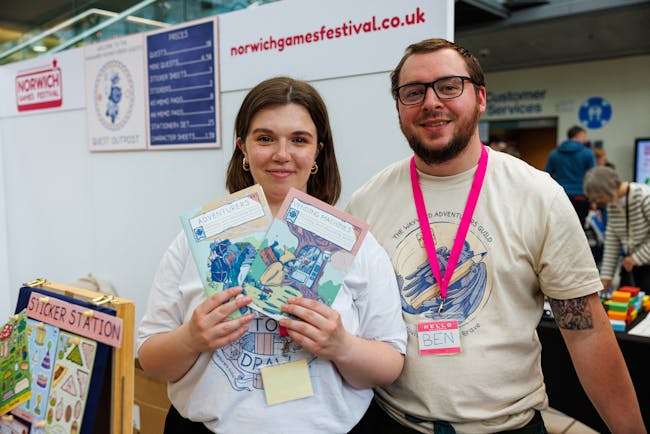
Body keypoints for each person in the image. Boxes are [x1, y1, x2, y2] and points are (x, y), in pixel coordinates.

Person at [345, 38, 645, 433]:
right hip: (394, 420)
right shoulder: (365, 203)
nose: (431, 102)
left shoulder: (538, 195)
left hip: (507, 426)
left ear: (481, 98)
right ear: (399, 107)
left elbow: (587, 334)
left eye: (449, 86)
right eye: (413, 92)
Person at [137, 77, 406, 434]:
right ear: (243, 149)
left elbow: (390, 364)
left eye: (299, 139)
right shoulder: (197, 239)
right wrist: (190, 339)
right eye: (265, 138)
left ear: (317, 152)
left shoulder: (354, 244)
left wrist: (342, 346)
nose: (282, 154)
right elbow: (150, 358)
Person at [583, 165, 650, 293]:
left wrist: (637, 258)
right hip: (631, 266)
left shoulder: (644, 197)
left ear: (611, 185)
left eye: (600, 196)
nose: (598, 202)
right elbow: (612, 242)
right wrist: (606, 277)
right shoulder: (612, 204)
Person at [544, 125, 595, 225]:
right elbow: (593, 177)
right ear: (578, 136)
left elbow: (547, 175)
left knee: (561, 227)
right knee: (580, 228)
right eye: (583, 137)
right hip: (581, 196)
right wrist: (593, 199)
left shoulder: (554, 154)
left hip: (561, 196)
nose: (584, 140)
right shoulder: (587, 153)